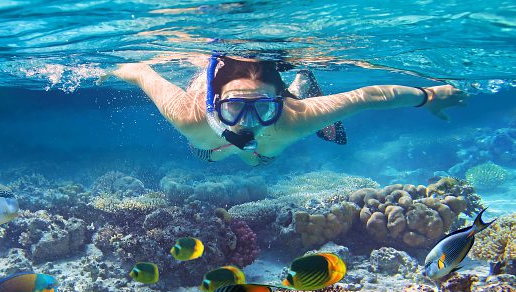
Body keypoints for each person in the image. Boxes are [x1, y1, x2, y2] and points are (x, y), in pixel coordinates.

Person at [110, 54, 466, 166]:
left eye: (264, 107)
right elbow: (141, 70)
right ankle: (294, 87)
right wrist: (102, 70)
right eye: (234, 107)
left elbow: (369, 95)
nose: (248, 122)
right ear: (215, 103)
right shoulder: (189, 115)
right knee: (211, 155)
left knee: (258, 158)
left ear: (277, 104)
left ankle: (298, 84)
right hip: (209, 143)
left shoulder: (294, 118)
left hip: (279, 120)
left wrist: (428, 96)